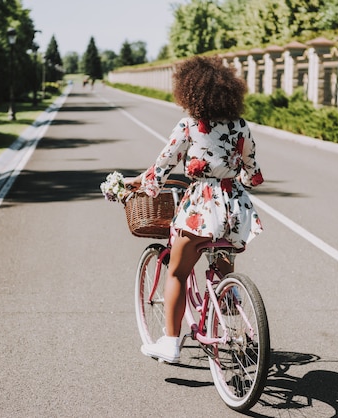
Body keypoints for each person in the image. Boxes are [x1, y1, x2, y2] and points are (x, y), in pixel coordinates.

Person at [124, 55, 264, 364]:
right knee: (223, 257)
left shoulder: (190, 125)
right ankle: (229, 296)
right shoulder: (241, 125)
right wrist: (233, 176)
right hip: (235, 208)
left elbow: (162, 165)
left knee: (177, 272)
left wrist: (139, 183)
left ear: (189, 92)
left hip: (201, 206)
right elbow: (252, 174)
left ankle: (170, 343)